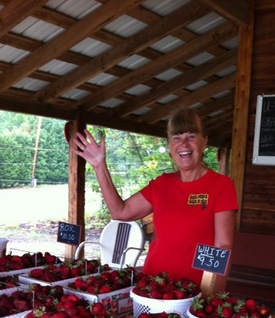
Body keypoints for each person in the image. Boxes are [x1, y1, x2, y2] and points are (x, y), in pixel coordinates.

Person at [73, 107, 238, 286]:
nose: (184, 144)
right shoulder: (162, 184)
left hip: (192, 291)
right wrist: (99, 166)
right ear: (169, 145)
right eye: (176, 138)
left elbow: (222, 246)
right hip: (152, 285)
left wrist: (211, 295)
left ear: (204, 141)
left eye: (191, 136)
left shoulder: (221, 185)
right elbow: (121, 212)